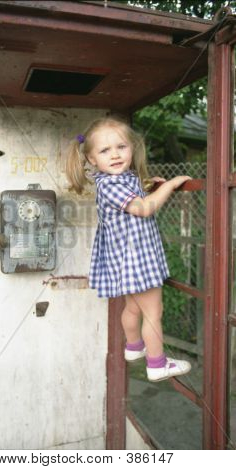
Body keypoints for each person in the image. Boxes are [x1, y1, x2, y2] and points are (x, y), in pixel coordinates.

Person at [65, 116, 192, 382]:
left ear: (132, 149)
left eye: (121, 147)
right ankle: (157, 364)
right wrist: (169, 185)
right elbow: (143, 209)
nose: (114, 155)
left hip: (125, 260)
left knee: (133, 309)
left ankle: (134, 347)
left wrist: (147, 186)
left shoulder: (121, 179)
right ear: (91, 159)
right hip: (137, 259)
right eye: (104, 150)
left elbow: (135, 197)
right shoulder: (110, 184)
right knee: (153, 313)